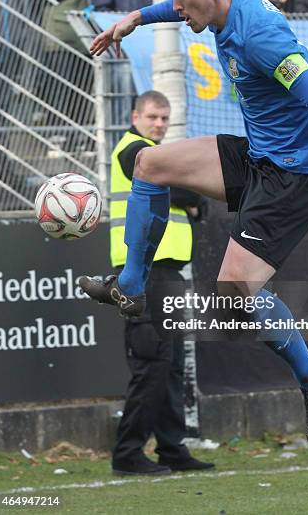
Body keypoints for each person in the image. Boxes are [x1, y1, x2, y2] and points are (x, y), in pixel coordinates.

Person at [81, 0, 308, 444]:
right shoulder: (219, 2)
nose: (176, 7)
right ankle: (130, 287)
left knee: (235, 294)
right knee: (149, 164)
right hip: (259, 154)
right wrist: (137, 17)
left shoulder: (261, 36)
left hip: (295, 177)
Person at [110, 90, 212, 475]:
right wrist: (192, 193)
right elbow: (159, 175)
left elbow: (180, 187)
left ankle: (172, 448)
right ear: (135, 116)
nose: (159, 124)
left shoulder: (157, 156)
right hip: (141, 273)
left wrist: (191, 198)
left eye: (164, 119)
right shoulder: (131, 149)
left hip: (167, 271)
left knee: (170, 364)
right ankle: (127, 453)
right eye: (153, 116)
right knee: (152, 362)